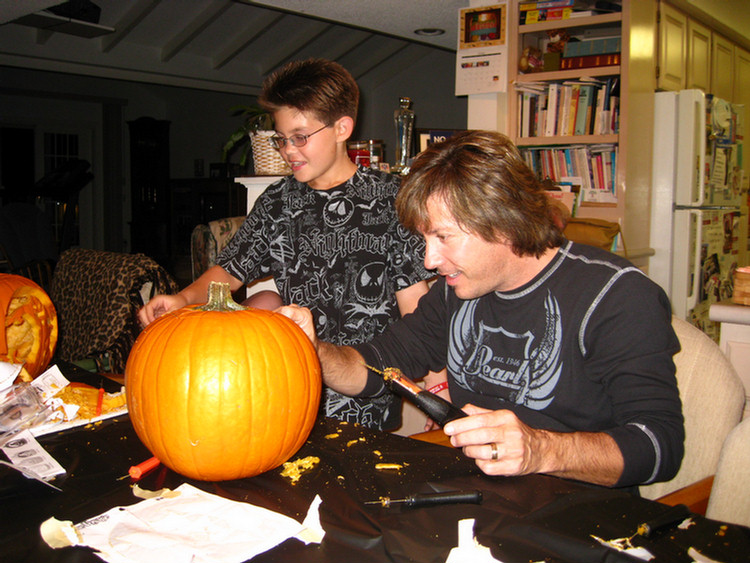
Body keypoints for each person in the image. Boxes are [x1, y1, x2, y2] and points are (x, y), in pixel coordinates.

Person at [278, 130, 685, 488]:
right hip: (478, 501)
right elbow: (374, 369)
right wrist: (310, 348)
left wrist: (541, 450)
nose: (429, 260)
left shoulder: (617, 296)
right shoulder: (456, 292)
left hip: (580, 519)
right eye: (424, 238)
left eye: (443, 237)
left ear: (504, 222)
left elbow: (659, 446)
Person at [138, 58, 445, 431]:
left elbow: (417, 309)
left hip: (366, 398)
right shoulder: (277, 202)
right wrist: (183, 300)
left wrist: (437, 386)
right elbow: (229, 271)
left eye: (300, 137)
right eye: (281, 139)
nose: (288, 150)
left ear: (342, 128)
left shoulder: (391, 201)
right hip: (288, 391)